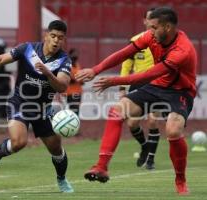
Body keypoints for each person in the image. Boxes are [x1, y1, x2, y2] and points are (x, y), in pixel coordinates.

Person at [76, 7, 196, 195]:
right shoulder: (151, 36)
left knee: (172, 131)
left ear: (167, 27)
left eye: (155, 27)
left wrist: (113, 81)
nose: (151, 31)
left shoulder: (183, 50)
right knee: (116, 111)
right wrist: (96, 70)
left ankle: (180, 180)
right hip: (156, 86)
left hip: (180, 91)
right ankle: (101, 167)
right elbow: (123, 53)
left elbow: (147, 74)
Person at [0, 20, 74, 193]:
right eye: (53, 36)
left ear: (64, 40)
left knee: (56, 149)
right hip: (20, 103)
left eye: (60, 38)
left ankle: (61, 179)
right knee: (19, 142)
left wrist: (47, 72)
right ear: (46, 35)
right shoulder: (27, 49)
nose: (56, 41)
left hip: (43, 109)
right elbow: (0, 59)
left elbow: (62, 86)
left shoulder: (64, 60)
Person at [119, 8, 160, 170]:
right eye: (150, 19)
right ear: (145, 21)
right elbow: (126, 64)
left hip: (157, 84)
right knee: (132, 123)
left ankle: (150, 159)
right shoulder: (135, 40)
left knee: (153, 120)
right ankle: (144, 146)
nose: (152, 22)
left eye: (155, 19)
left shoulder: (163, 40)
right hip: (138, 84)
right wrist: (122, 87)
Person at [65, 48, 83, 116]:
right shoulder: (67, 65)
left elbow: (80, 78)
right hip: (70, 93)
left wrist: (81, 79)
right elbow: (69, 79)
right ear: (70, 55)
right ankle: (73, 124)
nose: (75, 55)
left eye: (76, 54)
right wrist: (77, 79)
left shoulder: (77, 65)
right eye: (74, 54)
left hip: (78, 92)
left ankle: (75, 124)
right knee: (73, 110)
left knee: (77, 109)